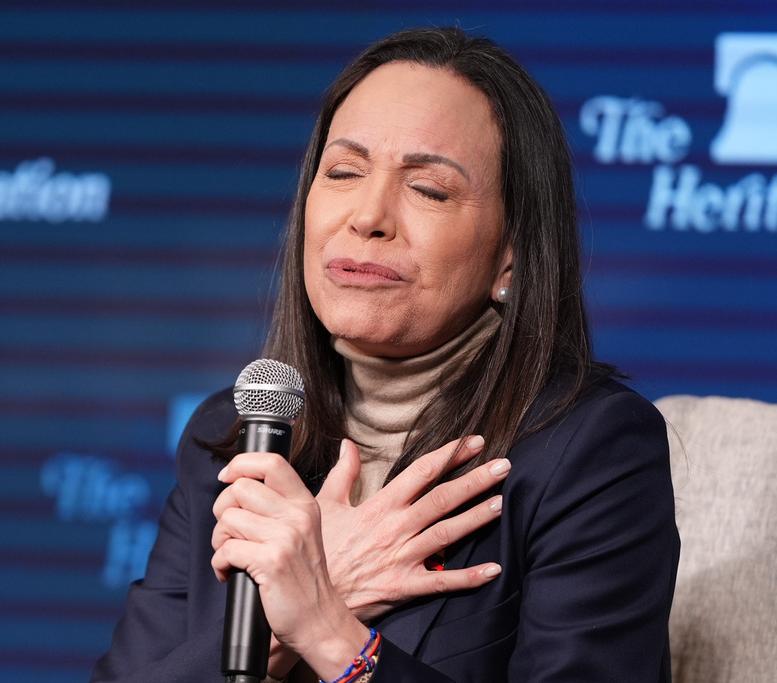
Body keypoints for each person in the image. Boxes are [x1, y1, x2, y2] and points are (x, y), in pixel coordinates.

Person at [91, 27, 679, 683]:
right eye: (343, 172)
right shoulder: (231, 436)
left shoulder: (592, 450)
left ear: (510, 255)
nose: (369, 214)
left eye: (428, 188)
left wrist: (332, 631)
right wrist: (295, 611)